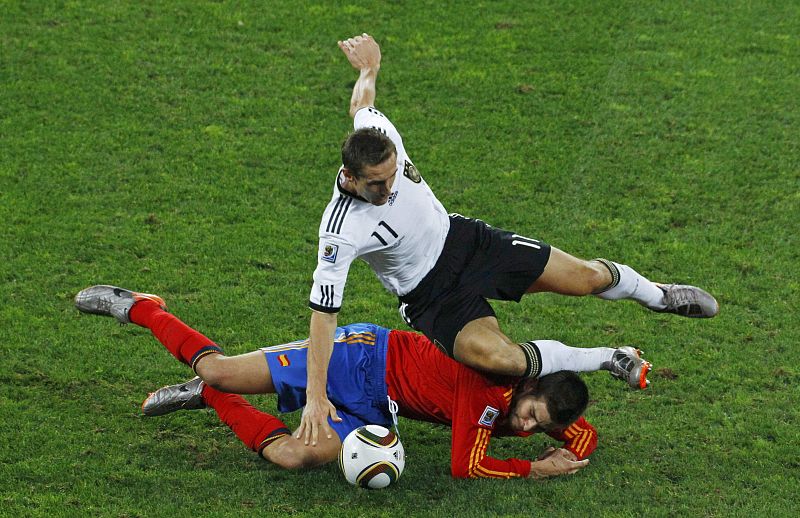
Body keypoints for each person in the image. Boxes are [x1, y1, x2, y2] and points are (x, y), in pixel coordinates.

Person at [301, 33, 719, 445]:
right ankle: (611, 357)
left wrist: (369, 67)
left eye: (394, 176)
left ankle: (658, 296)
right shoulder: (341, 230)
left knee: (585, 278)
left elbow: (362, 104)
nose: (389, 189)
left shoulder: (378, 134)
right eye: (377, 184)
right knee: (503, 360)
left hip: (467, 243)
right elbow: (323, 316)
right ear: (351, 176)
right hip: (432, 297)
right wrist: (316, 397)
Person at [74, 285, 649, 479]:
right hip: (358, 358)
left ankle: (214, 402)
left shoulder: (537, 407)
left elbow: (584, 436)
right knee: (219, 365)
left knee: (298, 458)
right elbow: (464, 466)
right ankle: (145, 308)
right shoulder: (487, 387)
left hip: (379, 409)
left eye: (538, 428)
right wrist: (536, 468)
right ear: (525, 385)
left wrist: (571, 443)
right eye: (529, 414)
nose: (525, 427)